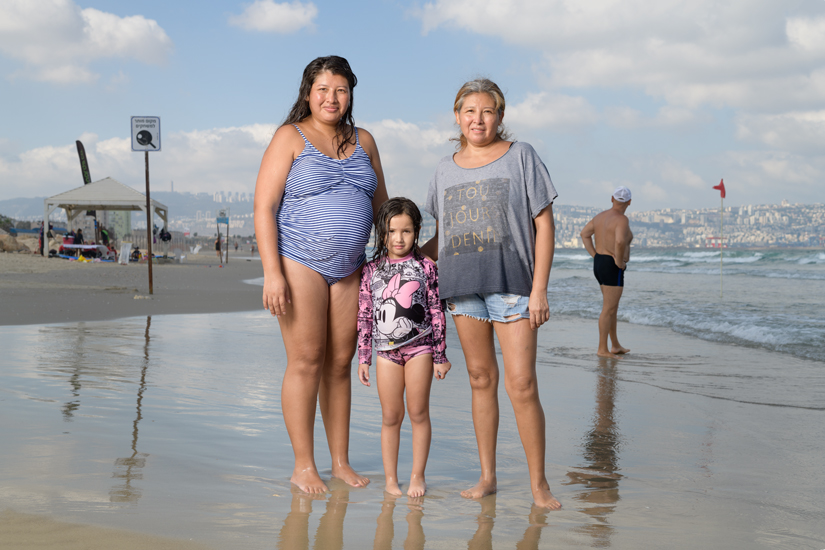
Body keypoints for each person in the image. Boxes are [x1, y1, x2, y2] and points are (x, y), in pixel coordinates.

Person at [421, 78, 561, 510]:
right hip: (463, 288)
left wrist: (540, 289)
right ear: (457, 117)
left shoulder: (522, 156)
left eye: (486, 111)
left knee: (522, 385)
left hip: (514, 287)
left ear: (500, 116)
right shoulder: (445, 168)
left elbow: (544, 225)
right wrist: (397, 259)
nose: (477, 119)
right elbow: (443, 233)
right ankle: (488, 477)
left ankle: (539, 485)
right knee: (481, 380)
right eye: (469, 111)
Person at [254, 55, 389, 494]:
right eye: (323, 90)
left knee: (339, 364)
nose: (332, 98)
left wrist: (394, 264)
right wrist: (272, 274)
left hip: (351, 268)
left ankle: (339, 462)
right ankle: (303, 465)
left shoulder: (365, 141)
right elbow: (264, 208)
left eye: (341, 90)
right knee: (307, 360)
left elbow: (382, 210)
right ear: (308, 94)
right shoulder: (288, 137)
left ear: (350, 94)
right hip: (299, 261)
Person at [356, 198, 451, 498]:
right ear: (382, 234)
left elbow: (437, 310)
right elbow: (364, 313)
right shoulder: (371, 270)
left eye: (406, 231)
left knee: (418, 412)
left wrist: (440, 355)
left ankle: (417, 476)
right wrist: (364, 357)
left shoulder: (426, 266)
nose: (399, 238)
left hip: (420, 349)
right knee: (390, 416)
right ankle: (390, 480)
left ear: (417, 231)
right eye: (392, 231)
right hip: (385, 354)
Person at [580, 187, 633, 358]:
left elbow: (584, 234)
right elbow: (618, 240)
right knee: (608, 309)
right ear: (629, 202)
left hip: (600, 262)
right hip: (612, 265)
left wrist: (595, 255)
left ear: (612, 198)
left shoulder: (600, 217)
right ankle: (602, 349)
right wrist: (618, 261)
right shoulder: (622, 219)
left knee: (612, 308)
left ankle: (615, 345)